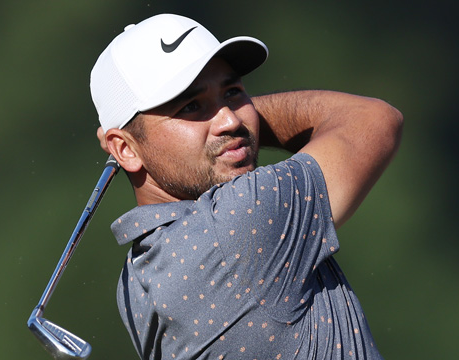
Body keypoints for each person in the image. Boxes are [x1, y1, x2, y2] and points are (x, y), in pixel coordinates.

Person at [90, 14, 402, 359]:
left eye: (233, 92)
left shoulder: (136, 277)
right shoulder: (240, 220)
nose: (231, 119)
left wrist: (221, 129)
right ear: (125, 149)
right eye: (191, 106)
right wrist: (241, 128)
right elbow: (374, 121)